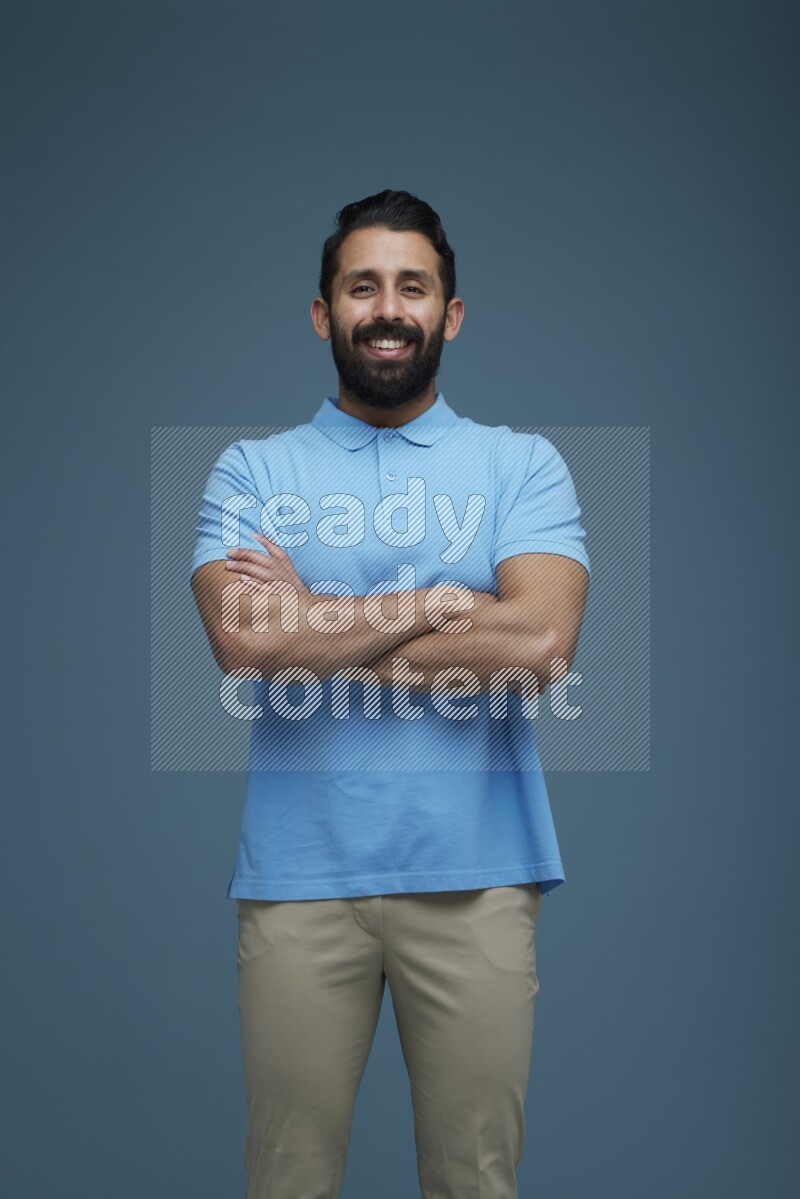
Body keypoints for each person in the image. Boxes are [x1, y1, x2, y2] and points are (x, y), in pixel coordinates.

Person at [190, 189, 590, 1199]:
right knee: (285, 1182)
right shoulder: (250, 469)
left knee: (473, 1183)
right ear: (322, 312)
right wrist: (443, 602)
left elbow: (539, 642)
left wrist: (314, 626)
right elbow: (242, 641)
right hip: (296, 878)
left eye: (411, 286)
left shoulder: (519, 465)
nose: (386, 306)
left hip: (478, 875)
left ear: (448, 314)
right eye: (361, 285)